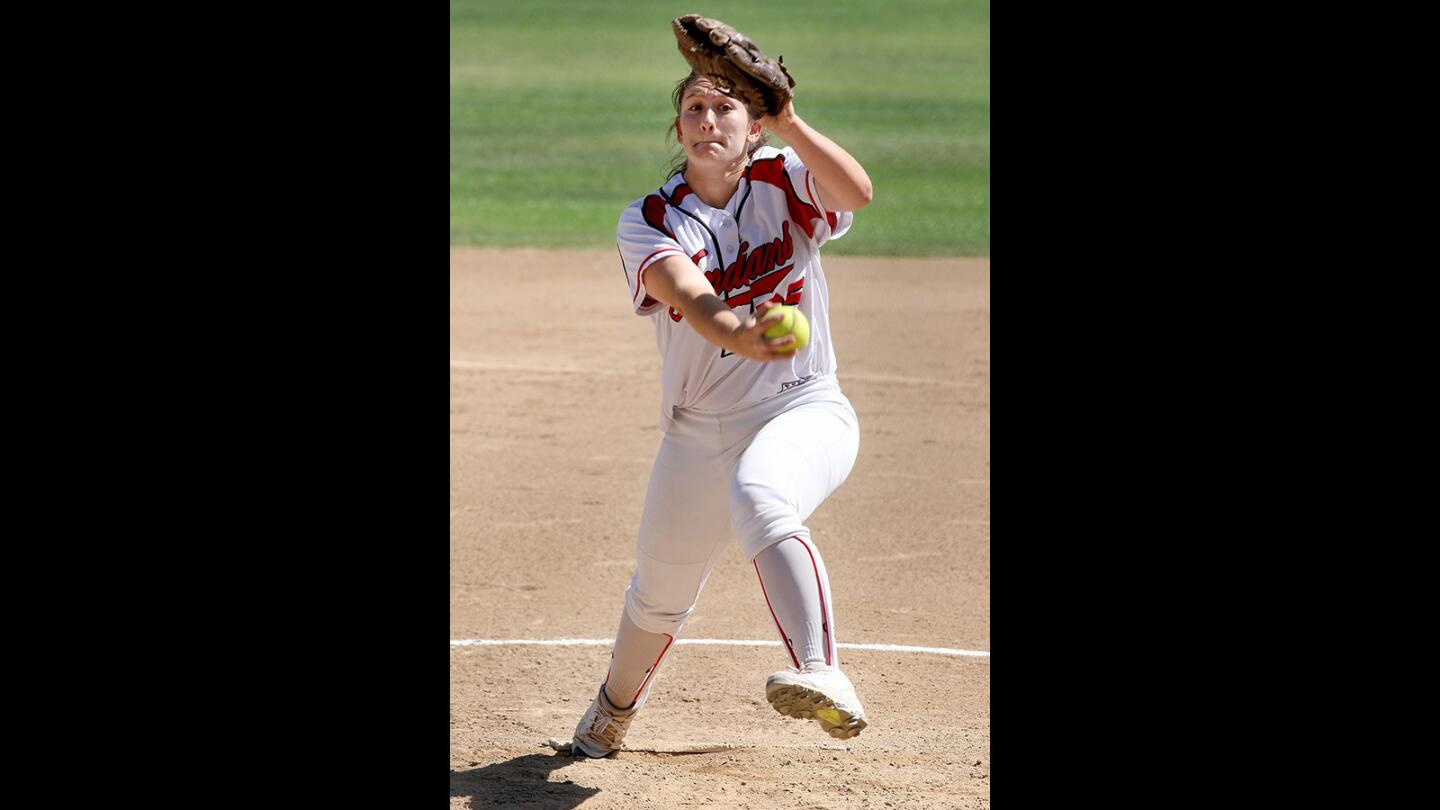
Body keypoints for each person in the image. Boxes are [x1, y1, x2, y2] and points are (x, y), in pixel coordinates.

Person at [571, 68, 874, 758]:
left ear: (754, 126)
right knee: (658, 594)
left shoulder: (786, 177)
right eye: (694, 108)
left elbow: (857, 192)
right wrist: (740, 334)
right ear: (678, 129)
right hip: (698, 432)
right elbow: (685, 290)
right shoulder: (650, 217)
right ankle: (613, 710)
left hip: (805, 406)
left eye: (726, 108)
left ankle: (823, 671)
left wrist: (792, 118)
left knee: (763, 493)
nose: (709, 120)